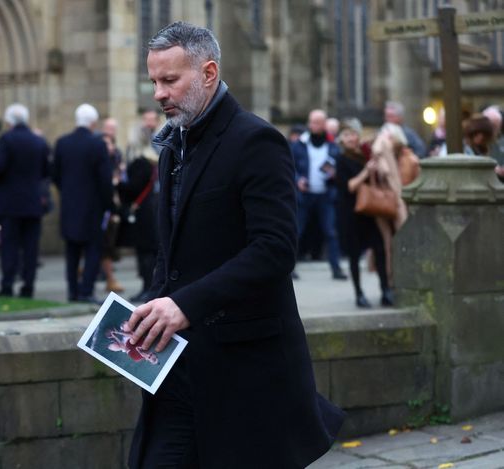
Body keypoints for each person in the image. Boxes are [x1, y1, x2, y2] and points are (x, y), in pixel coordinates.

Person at [125, 22, 344, 468]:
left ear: (208, 73)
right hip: (178, 367)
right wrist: (151, 308)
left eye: (170, 80)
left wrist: (184, 304)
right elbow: (173, 254)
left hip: (242, 371)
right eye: (153, 81)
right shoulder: (172, 147)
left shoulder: (256, 141)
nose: (158, 94)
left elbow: (275, 250)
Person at [53, 104, 113, 303]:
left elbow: (55, 174)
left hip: (70, 205)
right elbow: (105, 179)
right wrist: (109, 204)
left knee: (72, 251)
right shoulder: (97, 144)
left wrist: (68, 191)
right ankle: (86, 291)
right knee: (93, 250)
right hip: (92, 207)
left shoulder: (62, 143)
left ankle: (72, 291)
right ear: (93, 123)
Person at [0, 104, 51, 298]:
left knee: (10, 246)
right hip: (33, 202)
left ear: (9, 122)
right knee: (30, 248)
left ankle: (7, 285)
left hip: (11, 203)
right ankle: (28, 286)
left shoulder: (7, 139)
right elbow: (45, 171)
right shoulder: (38, 141)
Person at [334, 118, 391, 308]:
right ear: (341, 139)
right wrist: (366, 172)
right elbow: (350, 186)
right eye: (347, 135)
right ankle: (359, 293)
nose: (351, 138)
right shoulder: (341, 159)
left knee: (380, 249)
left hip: (368, 210)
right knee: (354, 254)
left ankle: (385, 290)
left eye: (354, 134)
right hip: (350, 212)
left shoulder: (365, 154)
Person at [292, 109, 347, 280]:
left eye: (317, 122)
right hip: (305, 195)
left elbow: (338, 168)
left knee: (330, 232)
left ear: (324, 124)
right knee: (296, 232)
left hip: (325, 195)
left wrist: (334, 174)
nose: (313, 125)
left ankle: (336, 268)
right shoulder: (299, 144)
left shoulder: (332, 147)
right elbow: (289, 167)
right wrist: (298, 179)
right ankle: (289, 267)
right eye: (311, 122)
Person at [368, 123, 419, 292]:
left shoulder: (409, 158)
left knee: (403, 241)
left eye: (388, 135)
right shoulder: (380, 153)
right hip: (385, 201)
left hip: (403, 203)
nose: (385, 139)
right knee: (386, 244)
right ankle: (389, 282)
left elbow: (415, 182)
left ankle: (403, 279)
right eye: (383, 135)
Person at [118, 144, 159, 303]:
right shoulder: (149, 163)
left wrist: (117, 184)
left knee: (146, 252)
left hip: (143, 212)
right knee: (147, 251)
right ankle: (147, 287)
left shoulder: (141, 164)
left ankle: (147, 288)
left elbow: (133, 187)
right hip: (148, 210)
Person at [99, 131, 124, 294]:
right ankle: (109, 278)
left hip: (113, 208)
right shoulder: (101, 163)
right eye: (105, 144)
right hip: (103, 210)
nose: (108, 147)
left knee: (108, 245)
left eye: (110, 143)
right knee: (105, 246)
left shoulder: (116, 162)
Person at [483, 105, 504, 181]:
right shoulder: (480, 142)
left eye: (497, 126)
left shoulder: (501, 140)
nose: (495, 130)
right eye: (492, 126)